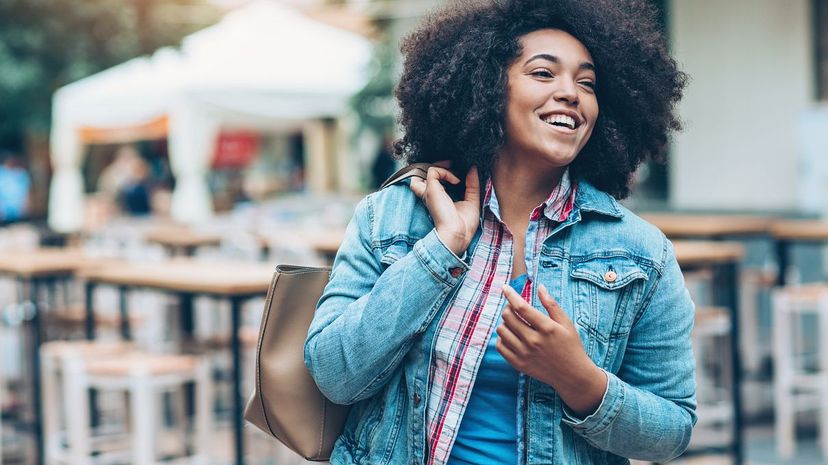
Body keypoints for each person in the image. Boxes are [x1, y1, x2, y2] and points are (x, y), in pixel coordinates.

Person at [304, 1, 694, 464]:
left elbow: (673, 430)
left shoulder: (641, 253)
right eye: (544, 73)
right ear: (487, 87)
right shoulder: (392, 216)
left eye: (586, 83)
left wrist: (578, 379)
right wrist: (439, 252)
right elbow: (333, 373)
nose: (571, 92)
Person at [0, 150, 31, 223]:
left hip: (18, 213)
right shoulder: (2, 173)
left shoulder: (21, 174)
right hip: (4, 213)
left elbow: (26, 193)